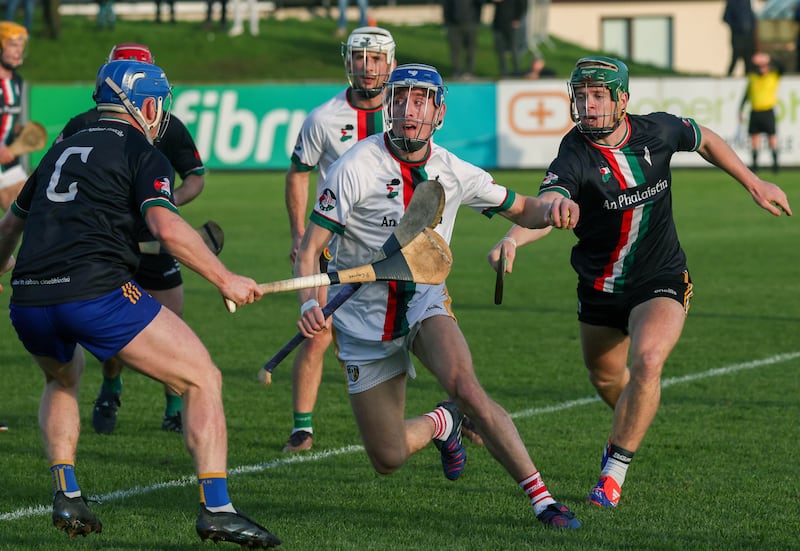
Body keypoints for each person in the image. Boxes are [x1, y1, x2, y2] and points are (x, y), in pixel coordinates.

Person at [487, 56, 792, 509]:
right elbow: (551, 202)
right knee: (605, 377)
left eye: (598, 96)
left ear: (622, 100)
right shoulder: (574, 153)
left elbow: (704, 138)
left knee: (647, 362)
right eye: (582, 97)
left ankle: (613, 473)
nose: (588, 106)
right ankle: (629, 425)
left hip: (660, 275)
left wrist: (752, 182)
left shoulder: (658, 131)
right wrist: (514, 237)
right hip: (600, 287)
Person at [0, 59, 279, 547]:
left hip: (29, 297)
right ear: (146, 104)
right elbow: (167, 229)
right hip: (93, 292)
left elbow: (9, 226)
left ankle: (66, 491)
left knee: (61, 378)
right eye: (159, 104)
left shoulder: (60, 149)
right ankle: (217, 508)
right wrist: (226, 279)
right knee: (202, 378)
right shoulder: (141, 150)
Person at [293, 63, 582, 529]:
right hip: (361, 321)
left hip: (424, 302)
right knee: (386, 457)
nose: (411, 109)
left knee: (466, 387)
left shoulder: (453, 170)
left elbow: (524, 207)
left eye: (422, 99)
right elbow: (309, 250)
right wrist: (310, 304)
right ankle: (442, 426)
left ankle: (543, 500)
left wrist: (554, 207)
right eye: (403, 98)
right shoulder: (354, 167)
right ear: (390, 105)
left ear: (439, 111)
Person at [55, 43, 207, 436]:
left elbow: (195, 176)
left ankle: (174, 406)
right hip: (106, 246)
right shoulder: (81, 124)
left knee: (173, 324)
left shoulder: (167, 126)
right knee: (112, 331)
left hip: (155, 240)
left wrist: (162, 207)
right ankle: (110, 385)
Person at [283, 26, 396, 453]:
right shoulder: (322, 118)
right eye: (359, 58)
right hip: (331, 246)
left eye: (376, 59)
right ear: (347, 61)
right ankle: (302, 428)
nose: (367, 68)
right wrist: (299, 234)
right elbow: (299, 173)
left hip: (390, 248)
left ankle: (462, 411)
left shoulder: (405, 113)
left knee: (419, 330)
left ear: (391, 64)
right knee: (316, 332)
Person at [0, 22, 29, 212]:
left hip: (8, 160)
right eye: (12, 45)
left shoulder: (17, 81)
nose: (19, 51)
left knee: (31, 208)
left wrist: (20, 132)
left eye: (21, 45)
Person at [740, 52, 783, 173]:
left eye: (764, 65)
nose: (762, 68)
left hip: (768, 110)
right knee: (754, 138)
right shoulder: (753, 77)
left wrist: (769, 58)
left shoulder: (773, 76)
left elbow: (782, 66)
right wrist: (741, 109)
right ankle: (755, 165)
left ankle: (775, 164)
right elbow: (746, 95)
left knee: (772, 138)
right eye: (760, 65)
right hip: (755, 111)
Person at [443, 0, 483, 80]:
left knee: (470, 50)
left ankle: (470, 72)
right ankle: (456, 72)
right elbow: (446, 6)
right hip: (453, 25)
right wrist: (447, 22)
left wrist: (477, 21)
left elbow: (480, 5)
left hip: (471, 24)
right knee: (455, 50)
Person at [491, 0, 528, 77]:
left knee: (514, 48)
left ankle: (517, 70)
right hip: (498, 24)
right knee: (500, 50)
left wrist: (517, 19)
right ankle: (503, 72)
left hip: (511, 24)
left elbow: (523, 6)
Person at [723, 0, 756, 76]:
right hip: (737, 36)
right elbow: (726, 18)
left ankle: (748, 76)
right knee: (735, 57)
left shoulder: (748, 2)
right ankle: (729, 76)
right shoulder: (732, 2)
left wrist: (752, 27)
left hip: (748, 36)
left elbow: (751, 17)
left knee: (748, 59)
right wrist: (737, 28)